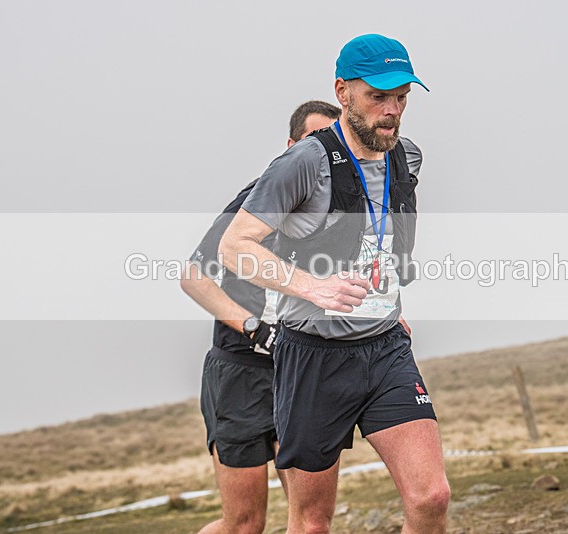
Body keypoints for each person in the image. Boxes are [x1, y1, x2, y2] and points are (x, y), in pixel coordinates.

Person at [221, 34, 450, 533]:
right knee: (312, 522)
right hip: (313, 356)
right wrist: (311, 286)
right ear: (343, 92)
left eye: (402, 98)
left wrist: (385, 296)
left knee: (431, 497)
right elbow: (234, 247)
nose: (392, 110)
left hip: (384, 347)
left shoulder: (404, 157)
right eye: (378, 97)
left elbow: (377, 239)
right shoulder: (302, 163)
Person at [180, 100, 341, 534]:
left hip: (300, 368)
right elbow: (193, 277)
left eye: (333, 142)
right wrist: (252, 327)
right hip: (240, 373)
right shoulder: (258, 199)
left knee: (311, 523)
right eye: (314, 140)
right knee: (245, 524)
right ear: (291, 147)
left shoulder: (340, 206)